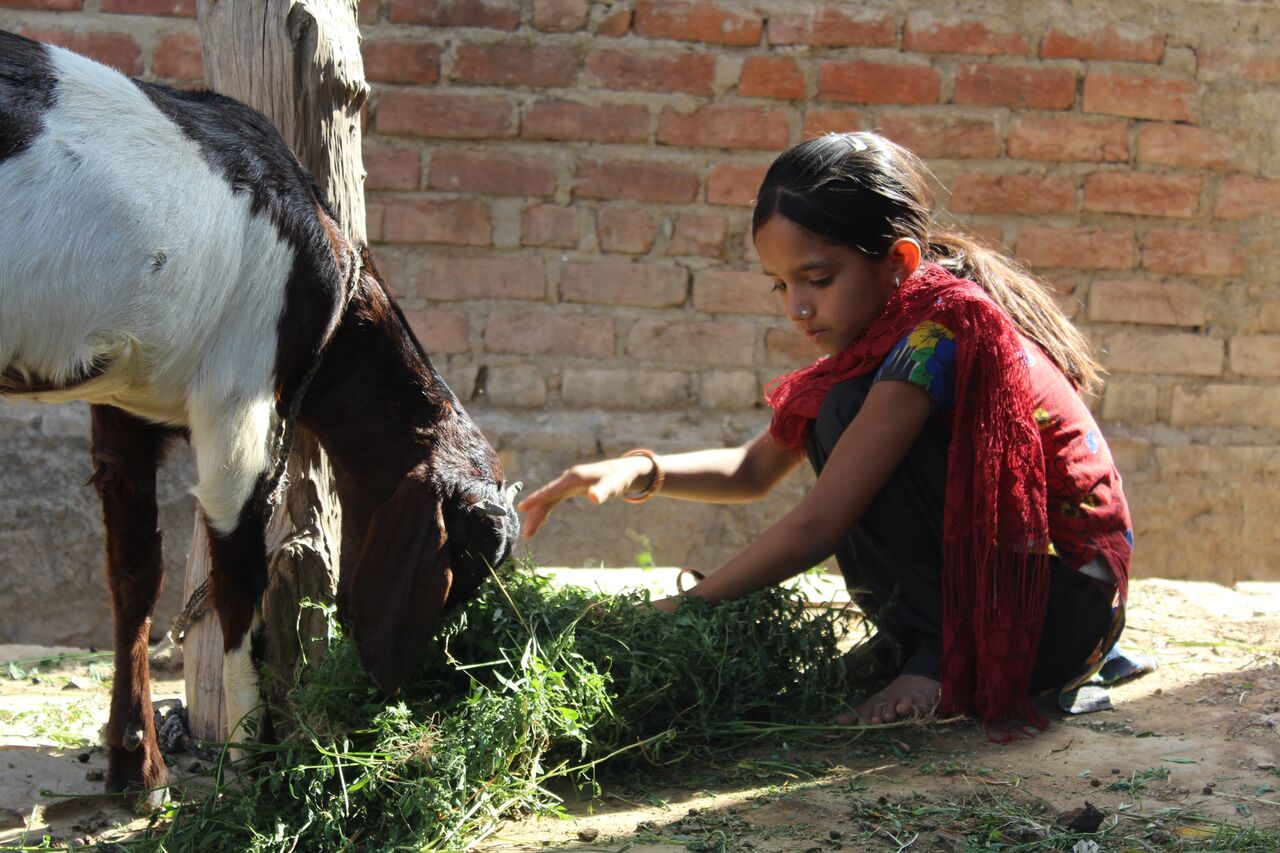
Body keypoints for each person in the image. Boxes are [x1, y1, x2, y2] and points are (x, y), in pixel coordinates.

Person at [518, 132, 1133, 734]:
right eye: (781, 284)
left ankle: (938, 661)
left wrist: (675, 612)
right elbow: (751, 471)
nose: (796, 307)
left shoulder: (939, 336)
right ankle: (916, 641)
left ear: (899, 262)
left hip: (1053, 614)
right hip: (1027, 600)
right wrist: (635, 470)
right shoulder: (889, 335)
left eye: (818, 279)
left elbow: (821, 523)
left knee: (843, 413)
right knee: (838, 408)